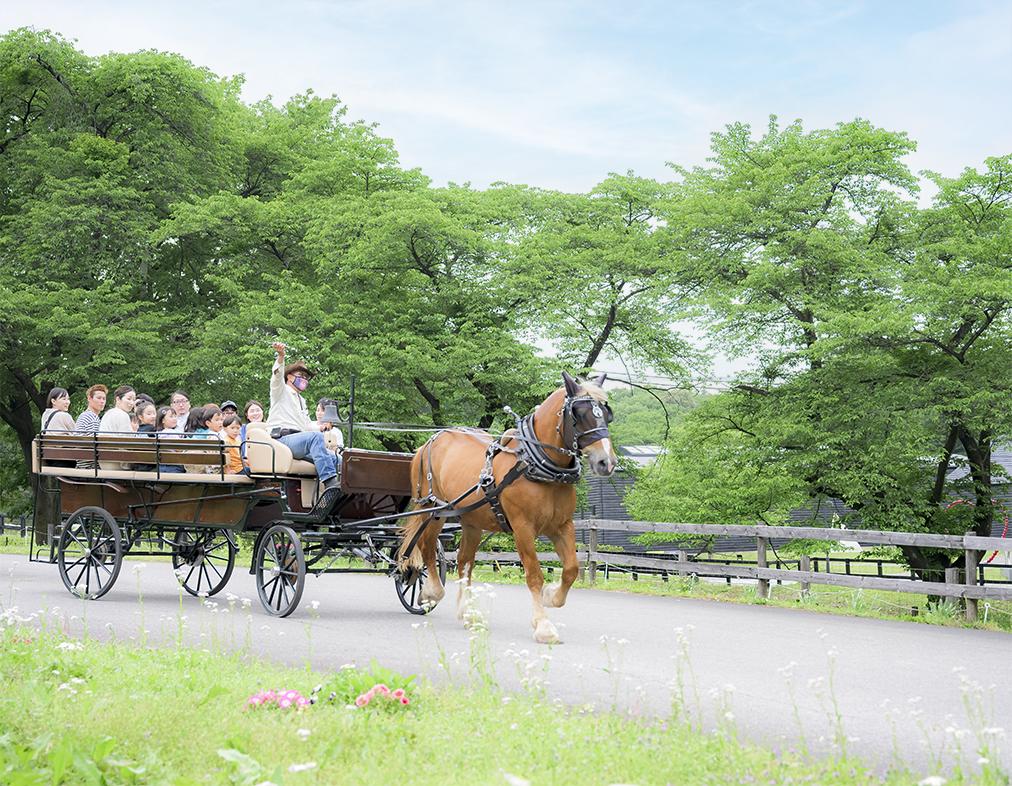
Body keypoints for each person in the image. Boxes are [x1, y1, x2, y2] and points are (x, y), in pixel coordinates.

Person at [266, 342, 338, 490]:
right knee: (315, 438)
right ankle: (331, 484)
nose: (304, 379)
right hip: (281, 440)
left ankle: (351, 493)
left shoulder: (301, 400)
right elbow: (276, 378)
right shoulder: (281, 391)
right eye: (301, 375)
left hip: (299, 442)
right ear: (290, 377)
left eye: (307, 377)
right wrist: (280, 357)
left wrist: (321, 426)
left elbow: (305, 425)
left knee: (338, 458)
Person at [99, 385, 137, 471]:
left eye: (134, 400)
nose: (132, 403)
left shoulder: (108, 413)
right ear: (118, 399)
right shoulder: (122, 415)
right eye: (129, 399)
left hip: (104, 461)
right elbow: (128, 442)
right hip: (117, 464)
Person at [75, 384, 107, 469]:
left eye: (104, 398)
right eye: (99, 398)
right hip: (91, 466)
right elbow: (96, 444)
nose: (102, 401)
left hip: (82, 463)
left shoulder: (84, 415)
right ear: (89, 399)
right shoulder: (92, 417)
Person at [154, 407, 185, 473]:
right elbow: (179, 450)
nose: (174, 419)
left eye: (175, 416)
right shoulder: (172, 433)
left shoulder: (157, 434)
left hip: (161, 466)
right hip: (175, 466)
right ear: (163, 420)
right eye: (171, 416)